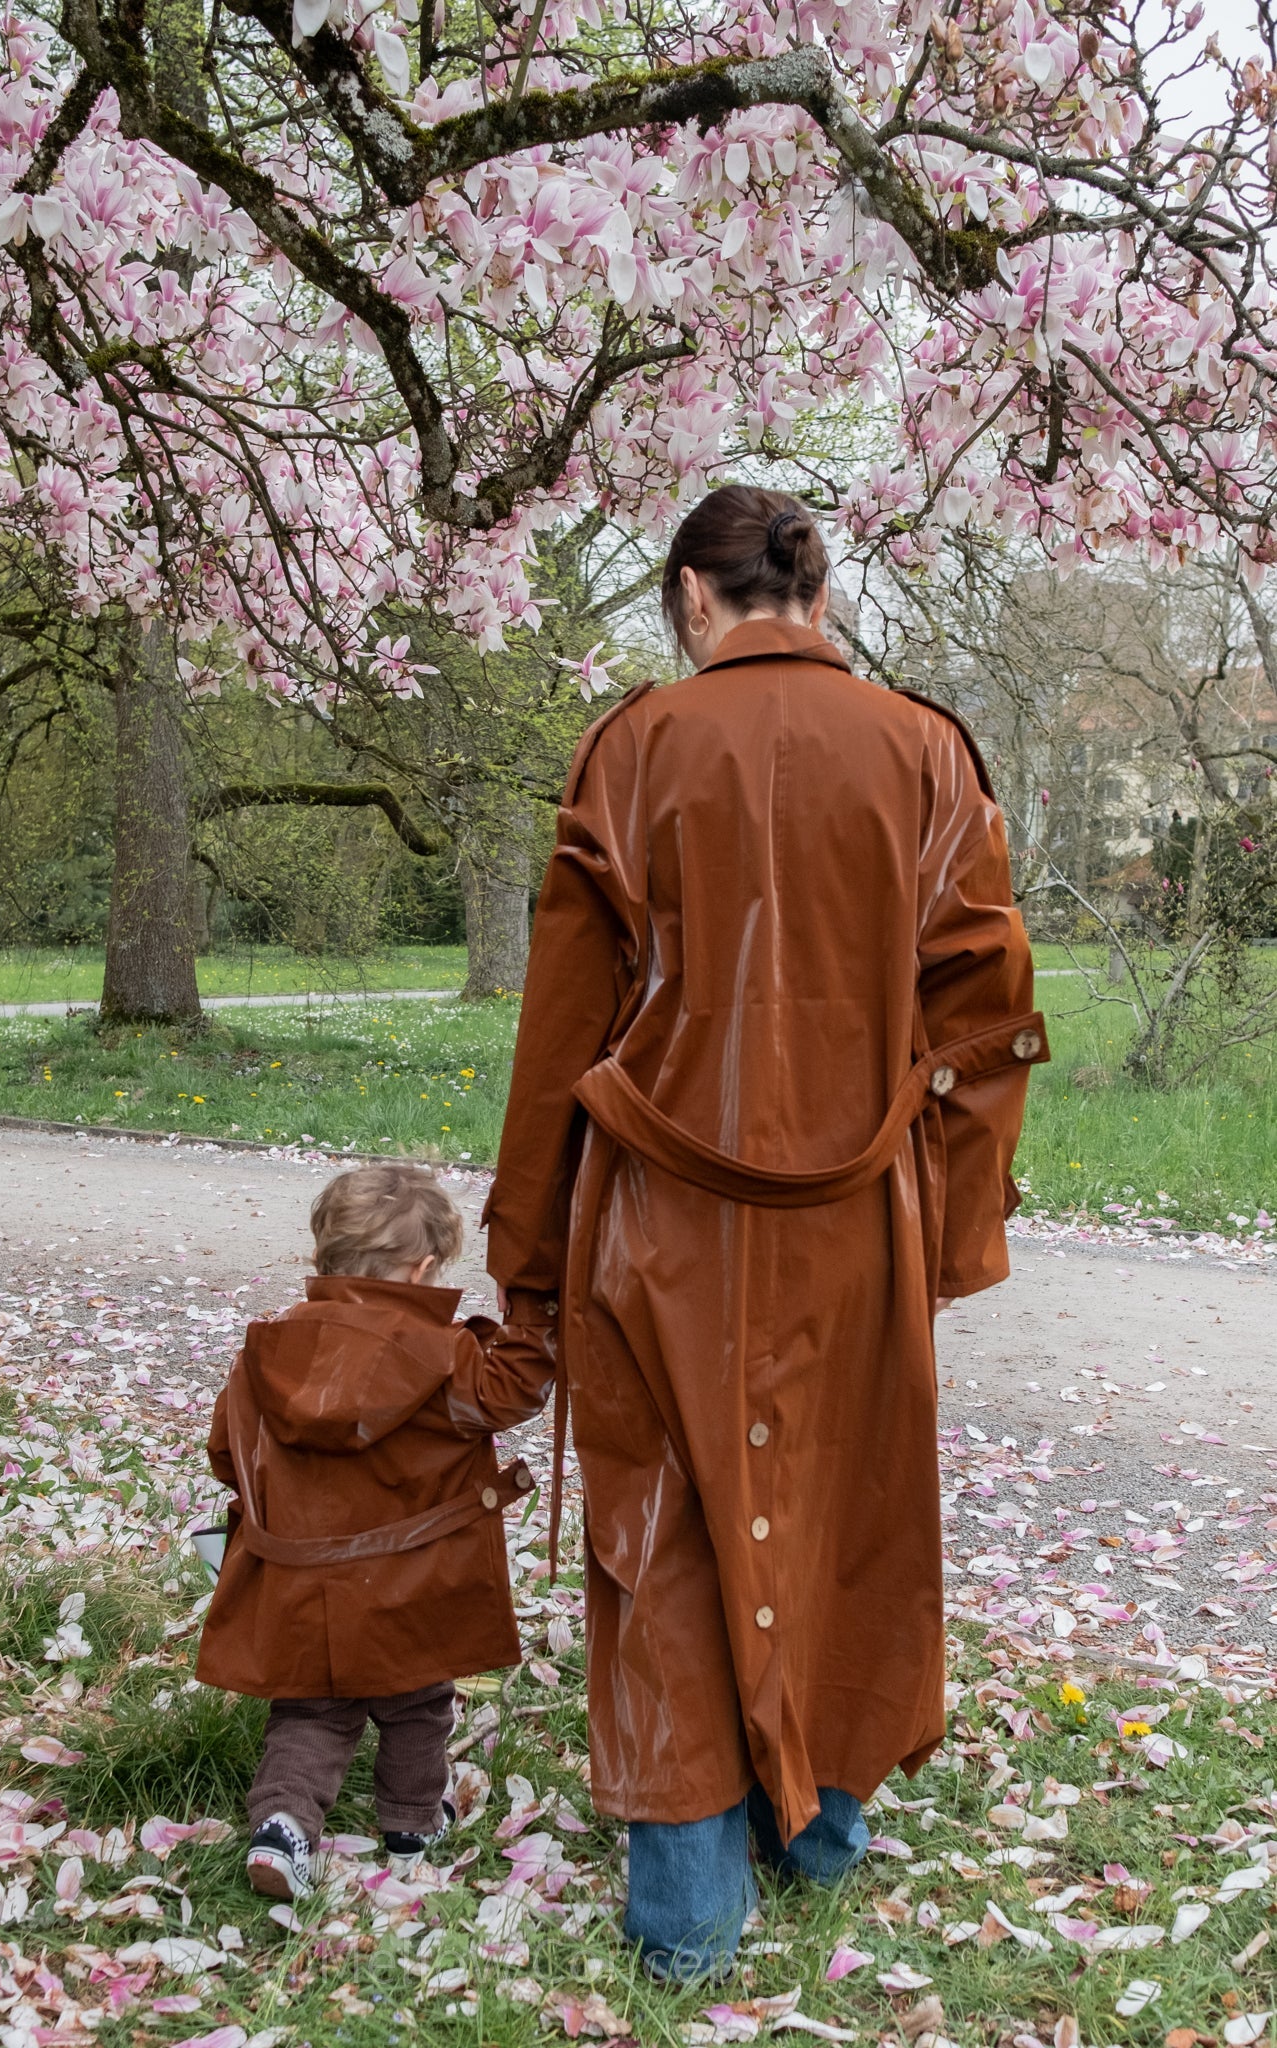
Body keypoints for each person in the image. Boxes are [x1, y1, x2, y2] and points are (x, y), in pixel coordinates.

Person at [483, 484, 1046, 1978]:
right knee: (850, 1500)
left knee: (661, 1533)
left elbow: (561, 1038)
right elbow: (987, 1026)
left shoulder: (632, 750)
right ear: (815, 591)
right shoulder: (928, 752)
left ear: (689, 596)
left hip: (659, 1223)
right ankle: (821, 1834)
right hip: (862, 1216)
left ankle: (687, 1924)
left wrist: (527, 1263)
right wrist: (948, 1227)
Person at [195, 1162, 557, 1900]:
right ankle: (412, 1823)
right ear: (424, 1268)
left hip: (299, 1584)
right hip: (412, 1584)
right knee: (417, 1703)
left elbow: (225, 1453)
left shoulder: (265, 1349)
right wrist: (533, 1312)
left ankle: (283, 1827)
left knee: (310, 1710)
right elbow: (512, 1394)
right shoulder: (443, 1356)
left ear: (325, 1253)